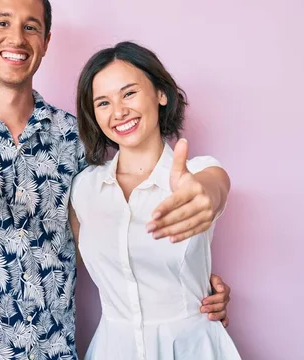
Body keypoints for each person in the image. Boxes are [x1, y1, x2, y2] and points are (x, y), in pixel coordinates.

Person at [0, 0, 233, 360]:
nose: (17, 37)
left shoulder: (74, 138)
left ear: (45, 42)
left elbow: (121, 228)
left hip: (49, 348)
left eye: (31, 27)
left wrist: (194, 292)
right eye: (2, 23)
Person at [69, 41, 240, 359]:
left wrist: (204, 196)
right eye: (103, 102)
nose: (119, 111)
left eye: (129, 93)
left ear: (161, 94)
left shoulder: (200, 172)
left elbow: (213, 189)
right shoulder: (83, 189)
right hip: (112, 349)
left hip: (192, 348)